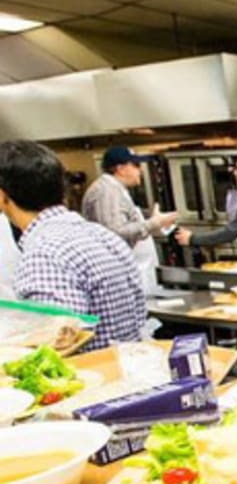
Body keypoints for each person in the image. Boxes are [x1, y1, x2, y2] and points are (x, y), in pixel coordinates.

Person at [0, 141, 146, 350]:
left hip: (94, 377)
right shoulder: (102, 235)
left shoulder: (44, 254)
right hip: (127, 370)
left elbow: (57, 346)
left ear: (2, 195)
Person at [81, 146, 177, 295]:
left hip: (136, 270)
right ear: (120, 168)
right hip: (122, 276)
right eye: (136, 166)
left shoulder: (117, 189)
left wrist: (155, 223)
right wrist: (154, 223)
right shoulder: (106, 191)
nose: (141, 170)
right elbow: (114, 232)